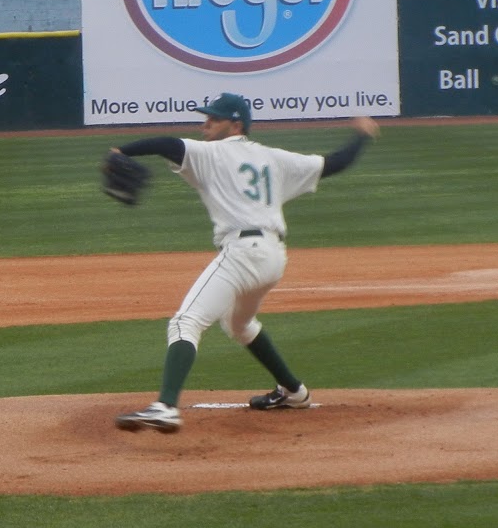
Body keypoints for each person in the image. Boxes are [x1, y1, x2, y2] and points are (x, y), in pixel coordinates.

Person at [113, 93, 379, 432]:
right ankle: (294, 392)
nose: (205, 124)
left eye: (214, 118)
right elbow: (336, 163)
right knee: (239, 325)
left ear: (235, 124)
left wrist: (121, 150)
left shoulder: (210, 152)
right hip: (272, 258)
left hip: (243, 253)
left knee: (185, 322)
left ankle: (165, 407)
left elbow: (166, 143)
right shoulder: (273, 158)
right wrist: (362, 134)